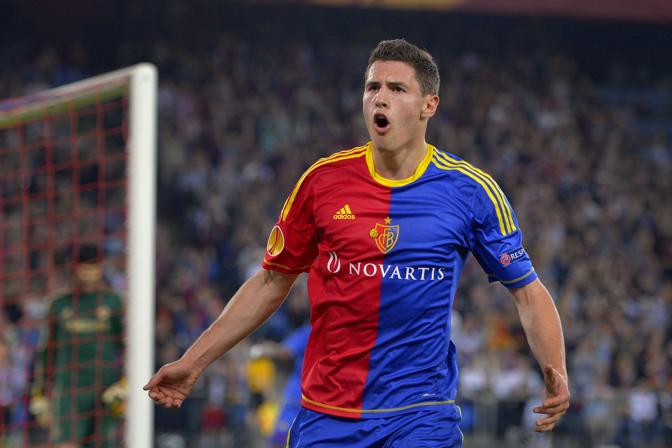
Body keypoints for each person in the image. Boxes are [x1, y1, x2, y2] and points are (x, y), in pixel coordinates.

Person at [145, 39, 570, 447]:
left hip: (421, 415)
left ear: (429, 105)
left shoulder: (470, 191)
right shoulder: (322, 182)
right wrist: (193, 362)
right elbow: (271, 282)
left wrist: (556, 369)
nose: (379, 99)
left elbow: (528, 293)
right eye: (372, 87)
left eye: (397, 89)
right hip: (328, 414)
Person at [31, 244, 126, 448]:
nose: (89, 274)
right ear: (74, 269)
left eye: (94, 268)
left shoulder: (113, 303)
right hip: (69, 390)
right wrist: (39, 394)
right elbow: (47, 351)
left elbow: (127, 347)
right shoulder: (59, 305)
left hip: (105, 390)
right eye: (85, 268)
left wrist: (124, 383)